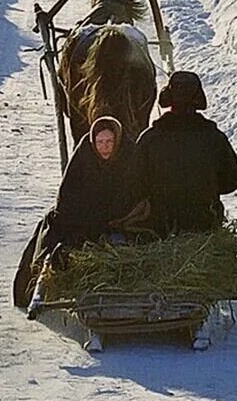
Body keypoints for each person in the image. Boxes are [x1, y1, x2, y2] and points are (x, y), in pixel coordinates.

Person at [13, 116, 149, 309]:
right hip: (85, 222)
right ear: (93, 142)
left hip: (121, 221)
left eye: (109, 142)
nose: (105, 147)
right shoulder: (84, 157)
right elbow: (68, 197)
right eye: (100, 142)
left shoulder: (129, 156)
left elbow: (137, 193)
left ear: (117, 141)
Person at [135, 71, 237, 234]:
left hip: (161, 227)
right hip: (205, 224)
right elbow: (232, 180)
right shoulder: (214, 137)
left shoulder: (150, 139)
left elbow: (134, 182)